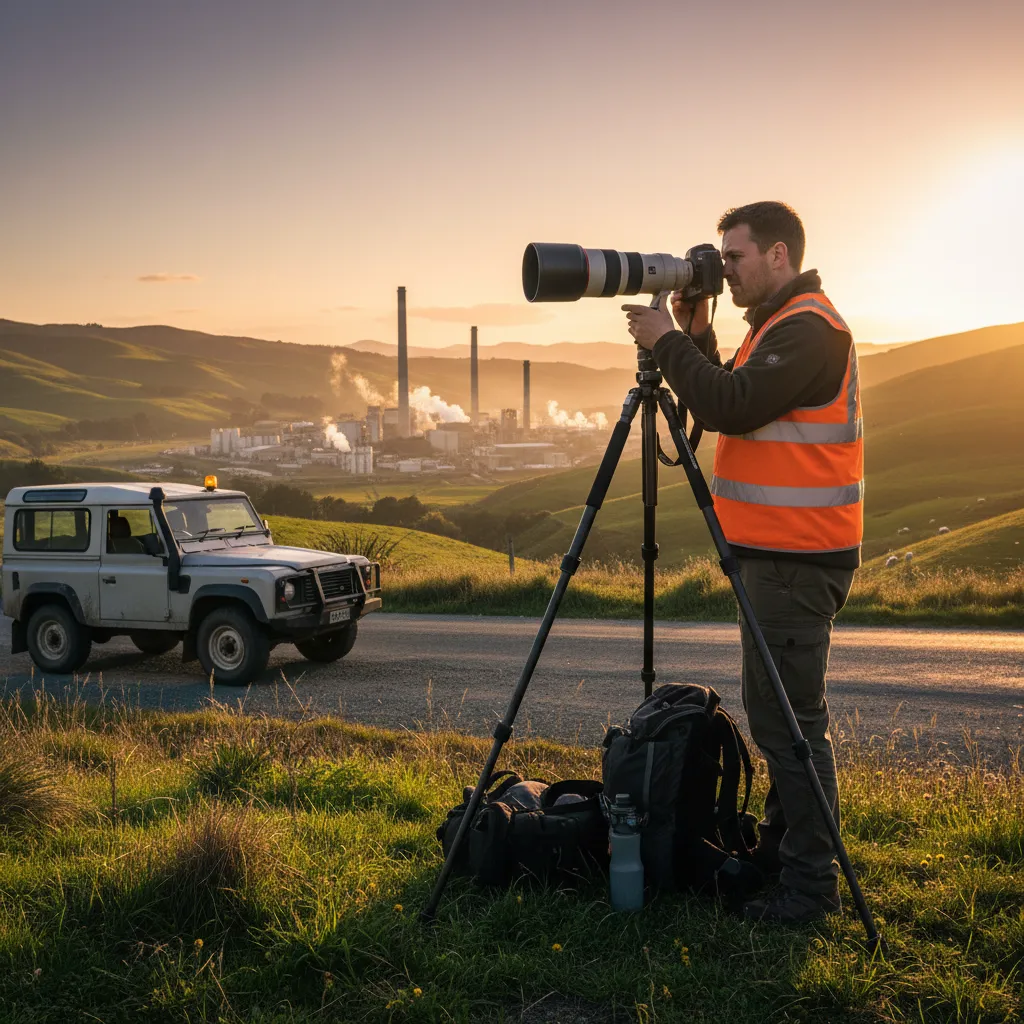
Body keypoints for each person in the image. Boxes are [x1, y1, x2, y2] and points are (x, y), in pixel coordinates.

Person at [623, 201, 863, 924]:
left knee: (791, 729)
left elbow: (730, 403)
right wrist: (696, 332)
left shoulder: (811, 330)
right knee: (784, 722)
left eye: (735, 257)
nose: (723, 269)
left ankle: (809, 888)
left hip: (796, 558)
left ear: (780, 256)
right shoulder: (777, 326)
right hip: (775, 556)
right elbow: (735, 395)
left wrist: (667, 340)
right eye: (721, 258)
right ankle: (779, 856)